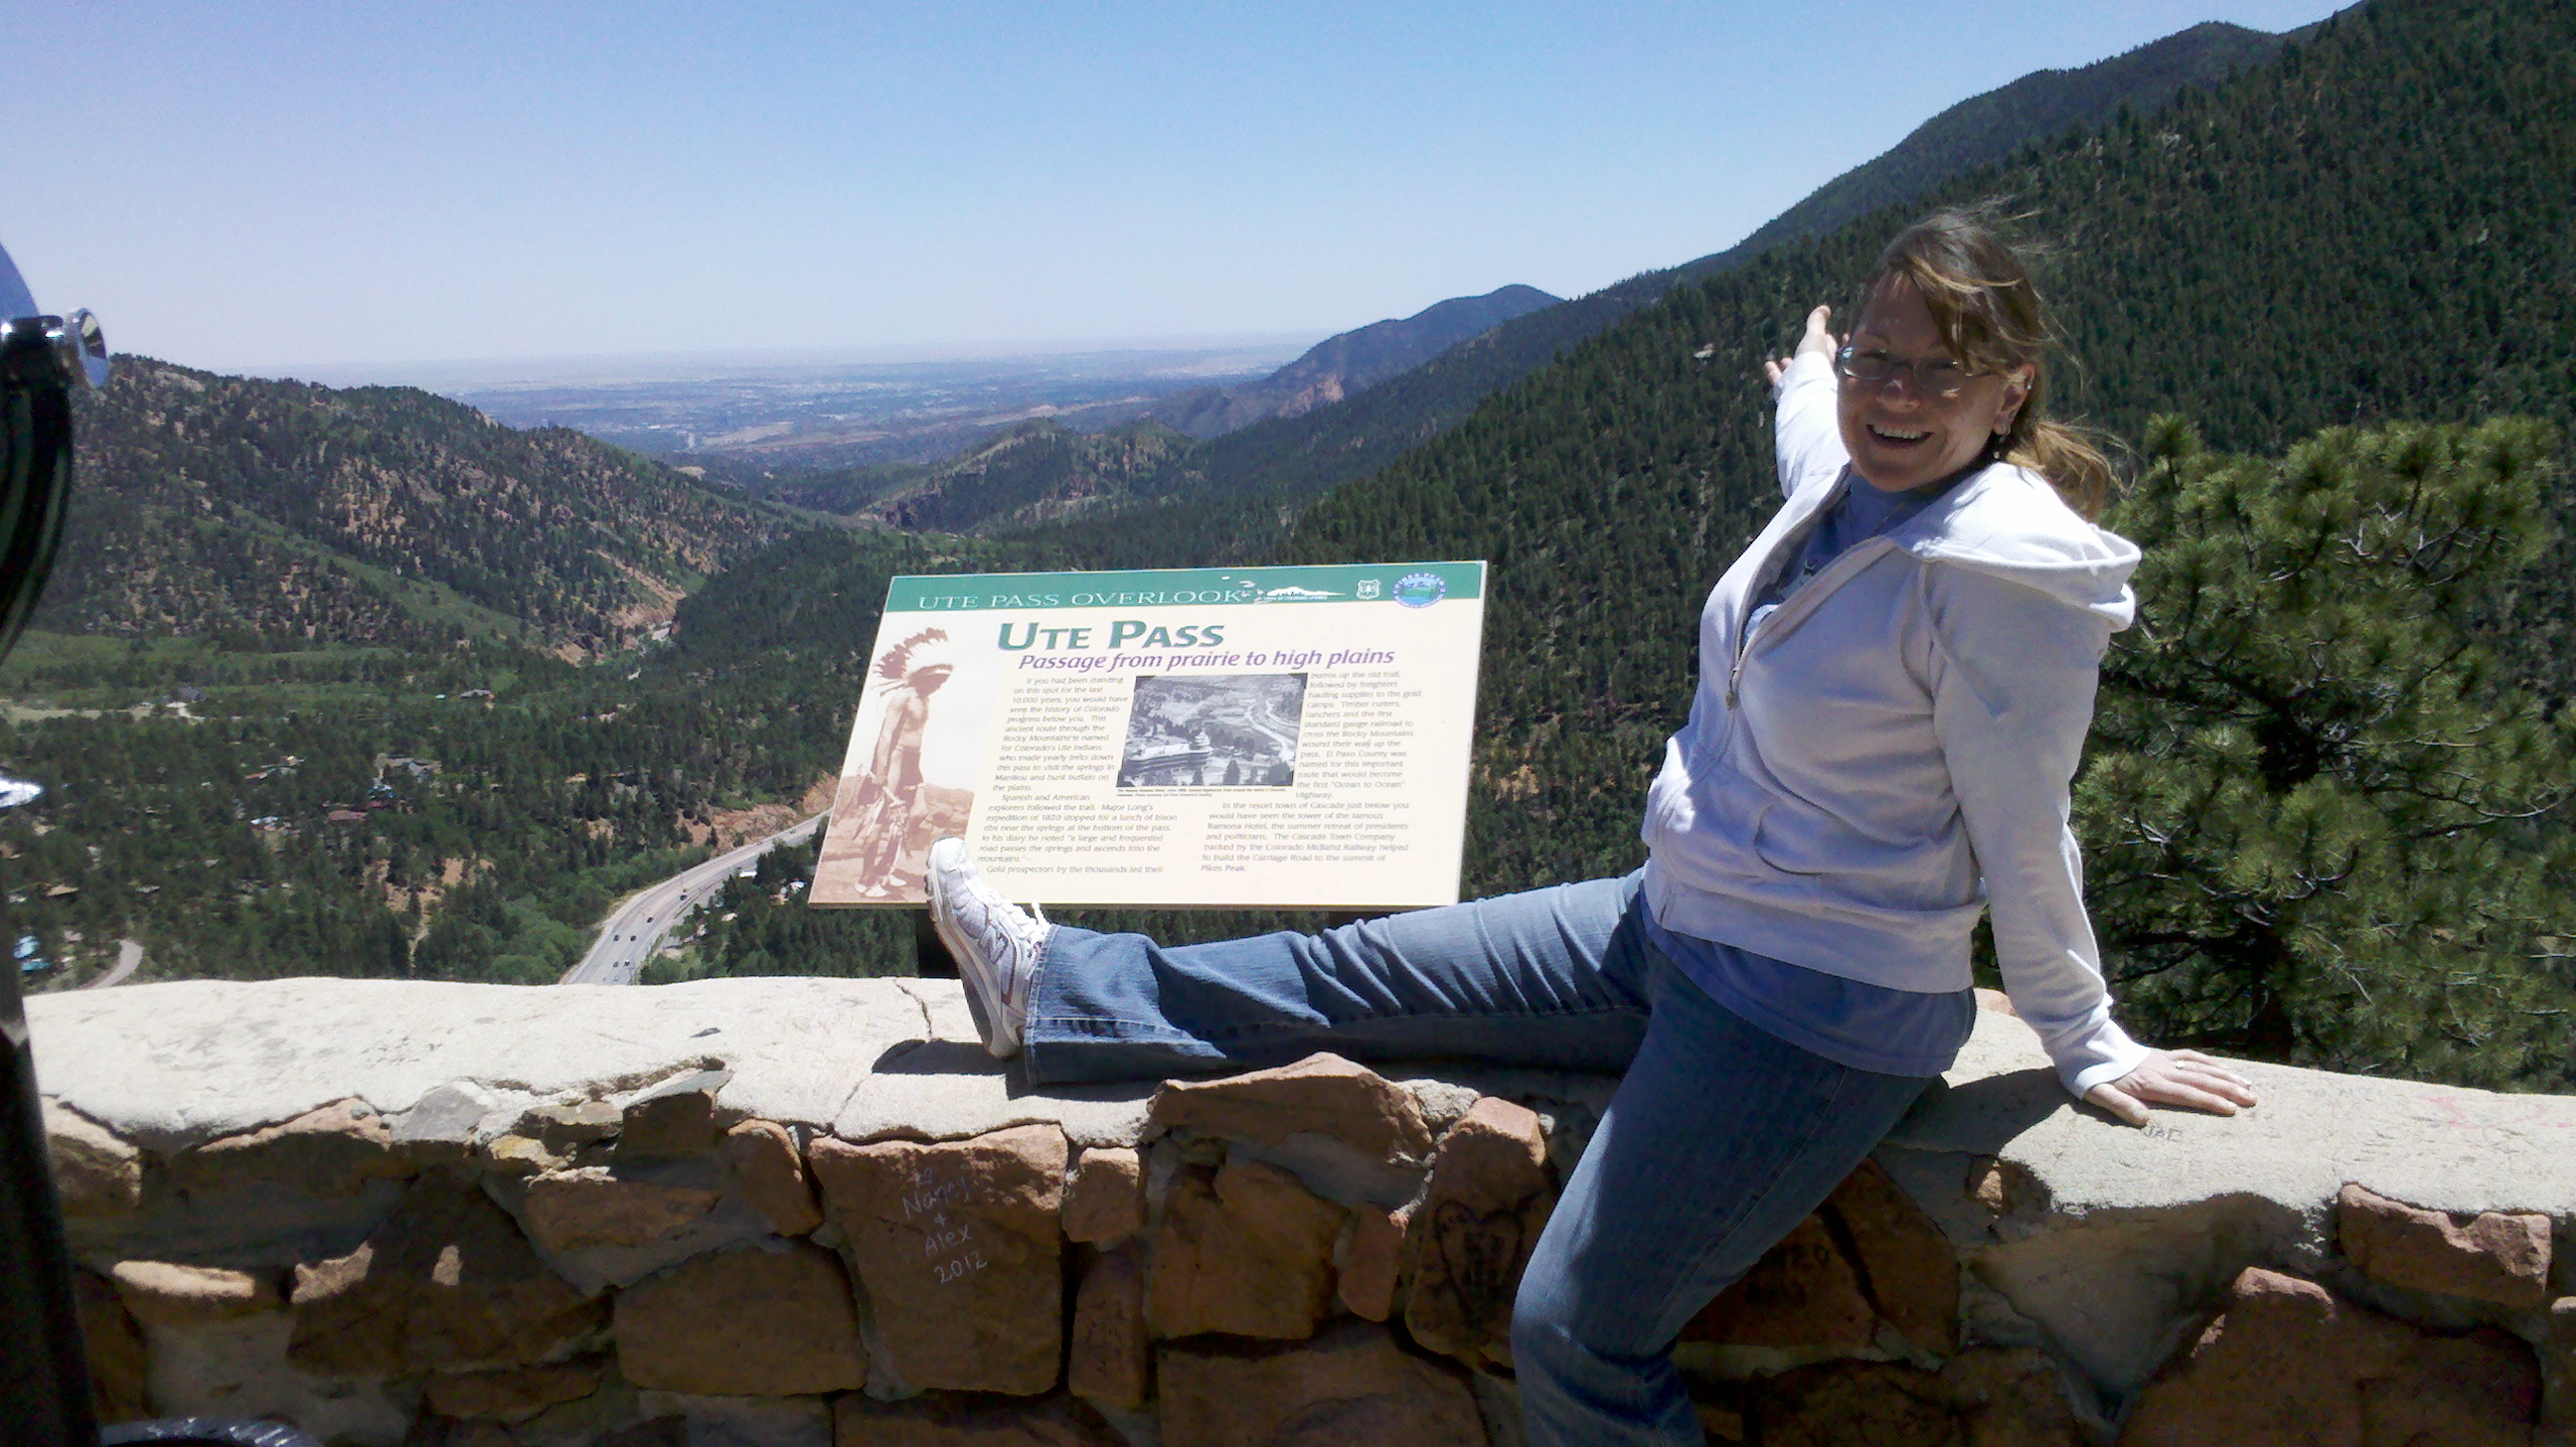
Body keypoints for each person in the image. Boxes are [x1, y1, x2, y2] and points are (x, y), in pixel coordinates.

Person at [924, 209, 2259, 1447]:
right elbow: (1816, 438)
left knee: (1576, 1336)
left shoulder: (2001, 575)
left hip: (1814, 1010)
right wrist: (1808, 376)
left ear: (2011, 390)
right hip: (1664, 922)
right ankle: (1055, 992)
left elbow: (2027, 823)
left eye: (1937, 372)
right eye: (1877, 358)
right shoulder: (1849, 481)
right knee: (1356, 968)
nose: (1894, 396)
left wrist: (2081, 1031)